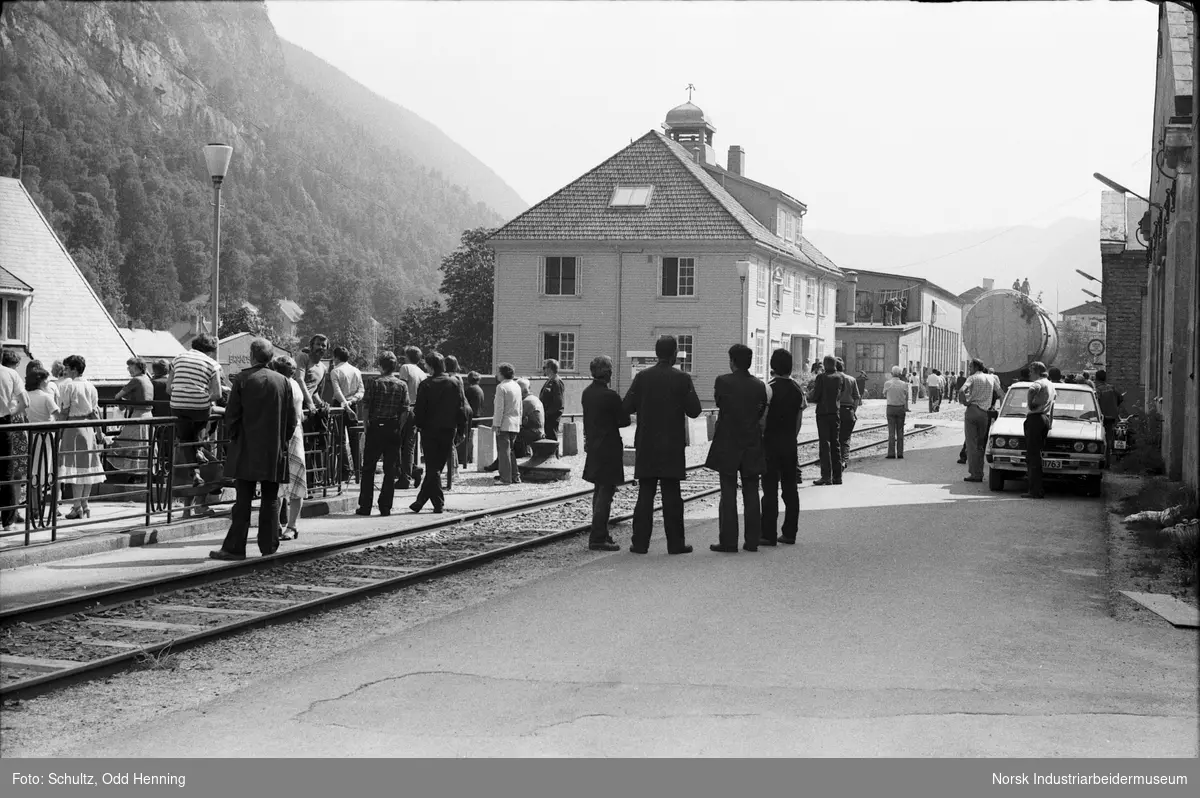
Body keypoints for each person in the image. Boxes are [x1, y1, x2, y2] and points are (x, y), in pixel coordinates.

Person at [211, 338, 297, 560]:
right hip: (273, 449)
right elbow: (291, 420)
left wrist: (235, 438)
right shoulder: (283, 381)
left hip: (246, 447)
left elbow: (231, 416)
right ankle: (269, 547)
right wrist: (281, 442)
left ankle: (235, 547)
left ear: (252, 355)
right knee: (270, 498)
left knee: (243, 501)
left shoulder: (243, 379)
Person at [621, 335, 702, 554]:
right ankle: (675, 543)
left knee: (645, 495)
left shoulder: (643, 377)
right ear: (675, 354)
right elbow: (695, 411)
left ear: (656, 353)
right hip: (672, 446)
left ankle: (640, 543)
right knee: (672, 496)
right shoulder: (682, 378)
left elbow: (626, 405)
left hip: (647, 444)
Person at [706, 344, 769, 553]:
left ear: (732, 361)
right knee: (751, 491)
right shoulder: (759, 385)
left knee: (728, 492)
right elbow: (760, 413)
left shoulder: (723, 381)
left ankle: (728, 541)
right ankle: (752, 541)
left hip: (728, 442)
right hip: (751, 442)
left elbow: (720, 403)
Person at [168, 333, 222, 517]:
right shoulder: (212, 364)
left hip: (177, 405)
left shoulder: (177, 358)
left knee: (185, 440)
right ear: (210, 350)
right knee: (197, 432)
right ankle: (199, 450)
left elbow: (169, 388)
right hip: (199, 408)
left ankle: (195, 473)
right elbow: (217, 394)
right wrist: (204, 397)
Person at [581, 355, 629, 551]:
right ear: (607, 373)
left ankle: (600, 532)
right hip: (609, 447)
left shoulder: (587, 393)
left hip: (593, 446)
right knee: (606, 492)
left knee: (598, 491)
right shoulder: (611, 396)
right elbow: (624, 420)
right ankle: (598, 536)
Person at [410, 351, 467, 514]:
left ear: (431, 366)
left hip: (429, 430)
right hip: (448, 429)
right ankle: (435, 503)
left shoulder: (426, 384)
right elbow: (460, 407)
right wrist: (461, 429)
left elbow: (419, 409)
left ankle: (425, 501)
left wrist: (418, 425)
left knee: (432, 467)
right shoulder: (454, 383)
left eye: (426, 365)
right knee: (437, 467)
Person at [356, 351, 410, 517]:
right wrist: (398, 427)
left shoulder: (373, 383)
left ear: (380, 366)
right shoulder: (402, 385)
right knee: (390, 469)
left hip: (375, 427)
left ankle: (365, 506)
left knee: (368, 468)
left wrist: (366, 425)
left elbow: (365, 406)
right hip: (392, 427)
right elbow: (405, 410)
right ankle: (385, 506)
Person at [761, 349, 805, 546]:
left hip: (770, 443)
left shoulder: (767, 388)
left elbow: (762, 419)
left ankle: (768, 534)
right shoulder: (797, 389)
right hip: (789, 443)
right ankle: (789, 532)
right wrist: (791, 437)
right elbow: (798, 420)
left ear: (772, 365)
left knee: (769, 489)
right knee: (790, 489)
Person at [55, 354, 104, 519]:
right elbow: (95, 412)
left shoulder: (68, 387)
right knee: (87, 469)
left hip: (73, 428)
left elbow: (64, 411)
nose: (65, 371)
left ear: (74, 369)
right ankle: (85, 504)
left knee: (75, 469)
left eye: (67, 368)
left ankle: (77, 507)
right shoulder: (91, 387)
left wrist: (58, 430)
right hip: (88, 428)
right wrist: (99, 432)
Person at [270, 355, 312, 541]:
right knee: (292, 482)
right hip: (294, 436)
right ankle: (288, 525)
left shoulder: (284, 385)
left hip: (287, 436)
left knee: (281, 482)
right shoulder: (294, 385)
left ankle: (285, 525)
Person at [108, 356, 154, 479]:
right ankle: (139, 476)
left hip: (138, 416)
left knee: (124, 442)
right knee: (141, 445)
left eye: (131, 367)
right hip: (148, 416)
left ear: (138, 367)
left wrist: (123, 403)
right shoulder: (147, 379)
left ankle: (130, 474)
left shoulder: (136, 380)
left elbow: (118, 396)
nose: (128, 369)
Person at [959, 358, 1002, 483]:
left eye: (970, 367)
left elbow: (962, 390)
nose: (969, 370)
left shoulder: (972, 378)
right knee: (981, 444)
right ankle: (980, 472)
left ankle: (975, 474)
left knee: (971, 444)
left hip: (972, 411)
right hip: (985, 414)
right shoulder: (992, 378)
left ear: (974, 367)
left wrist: (965, 402)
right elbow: (1001, 393)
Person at [807, 355, 845, 485]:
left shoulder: (821, 377)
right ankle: (838, 476)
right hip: (835, 412)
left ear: (825, 364)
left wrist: (811, 395)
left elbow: (816, 396)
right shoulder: (841, 377)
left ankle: (826, 476)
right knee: (836, 443)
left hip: (823, 413)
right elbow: (842, 392)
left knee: (825, 444)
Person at [0, 350, 27, 530]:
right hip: (4, 424)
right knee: (6, 472)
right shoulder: (10, 373)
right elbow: (25, 402)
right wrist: (12, 413)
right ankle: (8, 521)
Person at [329, 346, 364, 483]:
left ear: (336, 357)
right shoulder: (356, 371)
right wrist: (352, 402)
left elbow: (337, 392)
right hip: (353, 404)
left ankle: (345, 471)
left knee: (340, 440)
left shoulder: (335, 371)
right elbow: (361, 390)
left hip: (339, 406)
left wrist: (345, 404)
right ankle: (358, 471)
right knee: (355, 438)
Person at [1022, 361, 1056, 499]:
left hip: (1035, 418)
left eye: (1031, 371)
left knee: (1032, 456)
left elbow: (1032, 390)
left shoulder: (1039, 382)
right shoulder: (1051, 384)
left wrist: (1030, 404)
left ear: (1036, 371)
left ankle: (1034, 490)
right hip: (1045, 418)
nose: (1030, 374)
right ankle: (1038, 488)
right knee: (1037, 455)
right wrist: (1050, 422)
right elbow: (1053, 405)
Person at [397, 346, 427, 489]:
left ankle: (405, 477)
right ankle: (413, 470)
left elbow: (401, 388)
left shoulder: (405, 368)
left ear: (407, 356)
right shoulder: (422, 372)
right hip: (417, 410)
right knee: (409, 445)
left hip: (406, 408)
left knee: (400, 444)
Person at [491, 363, 522, 485]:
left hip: (504, 423)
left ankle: (505, 478)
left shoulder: (501, 387)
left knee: (503, 452)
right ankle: (515, 476)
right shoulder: (517, 386)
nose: (497, 374)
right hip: (514, 423)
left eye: (498, 372)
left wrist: (496, 424)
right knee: (511, 451)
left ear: (502, 373)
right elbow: (520, 406)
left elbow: (499, 408)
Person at [835, 357, 862, 471]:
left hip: (835, 411)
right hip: (848, 410)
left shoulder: (833, 379)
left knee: (835, 438)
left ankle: (835, 461)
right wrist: (853, 411)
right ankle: (844, 461)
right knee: (845, 439)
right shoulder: (851, 379)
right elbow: (857, 398)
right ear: (843, 367)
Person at [458, 371, 485, 469]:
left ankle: (464, 458)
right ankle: (468, 457)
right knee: (470, 437)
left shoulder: (470, 390)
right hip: (477, 416)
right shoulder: (479, 389)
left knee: (466, 436)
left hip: (471, 416)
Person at [1094, 369, 1123, 454]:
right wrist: (1114, 406)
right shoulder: (1111, 388)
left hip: (1102, 416)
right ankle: (1112, 452)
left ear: (1096, 378)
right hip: (1113, 415)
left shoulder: (1097, 390)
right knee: (1111, 434)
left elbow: (1096, 403)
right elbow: (1121, 398)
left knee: (1102, 436)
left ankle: (1105, 453)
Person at [515, 377, 545, 458]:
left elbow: (518, 420)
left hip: (534, 433)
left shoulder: (526, 402)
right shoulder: (535, 399)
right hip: (540, 431)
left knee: (512, 433)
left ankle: (518, 456)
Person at [883, 366, 909, 459]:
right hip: (900, 408)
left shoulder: (887, 383)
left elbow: (884, 394)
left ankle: (891, 453)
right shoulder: (904, 384)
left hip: (890, 408)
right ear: (900, 374)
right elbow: (906, 395)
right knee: (900, 431)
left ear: (891, 373)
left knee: (891, 431)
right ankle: (900, 453)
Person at [539, 359, 565, 442]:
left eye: (544, 367)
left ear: (549, 369)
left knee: (552, 438)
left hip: (552, 416)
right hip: (547, 415)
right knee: (548, 438)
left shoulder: (556, 382)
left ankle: (555, 455)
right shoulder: (550, 381)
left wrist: (548, 414)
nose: (543, 370)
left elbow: (558, 402)